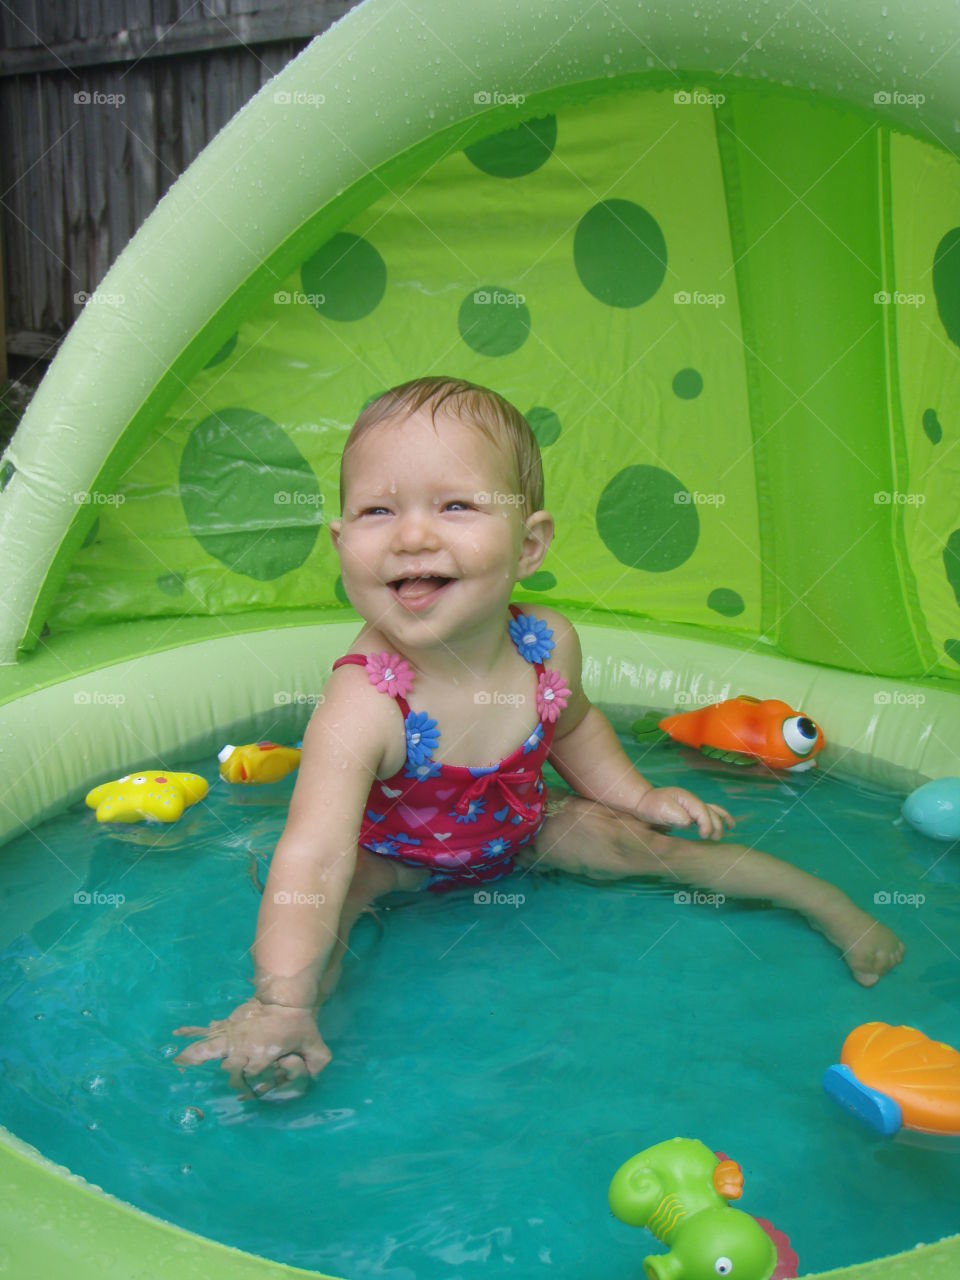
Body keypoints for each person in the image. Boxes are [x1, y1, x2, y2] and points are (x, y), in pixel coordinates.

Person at [173, 376, 904, 1095]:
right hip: (389, 859)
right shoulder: (362, 702)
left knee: (648, 846)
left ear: (530, 545)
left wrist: (639, 795)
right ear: (340, 542)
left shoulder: (545, 643)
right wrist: (287, 993)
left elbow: (575, 726)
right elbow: (313, 856)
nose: (412, 535)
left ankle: (828, 906)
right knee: (331, 910)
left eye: (455, 504)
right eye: (376, 510)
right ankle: (279, 1020)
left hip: (522, 832)